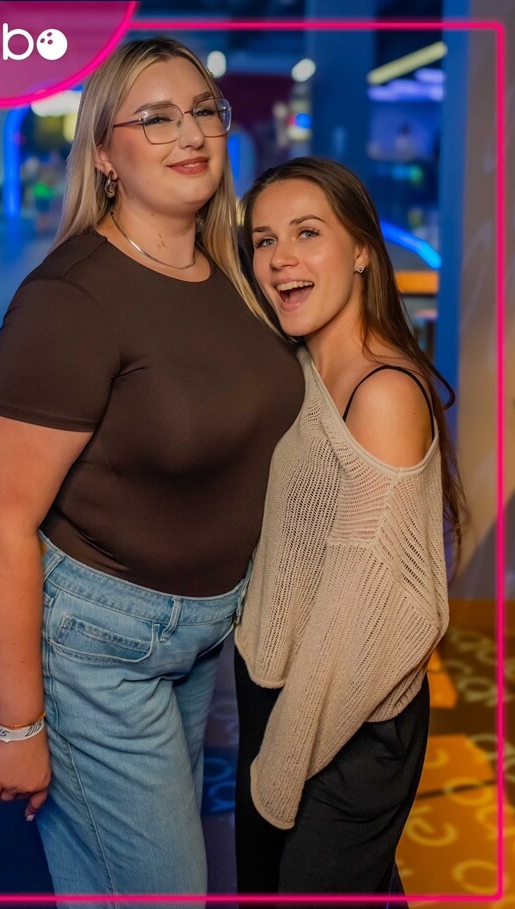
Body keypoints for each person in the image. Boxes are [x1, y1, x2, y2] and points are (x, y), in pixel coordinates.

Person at [0, 37, 304, 904]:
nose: (189, 133)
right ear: (104, 155)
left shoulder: (235, 271)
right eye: (155, 118)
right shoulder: (71, 300)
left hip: (202, 638)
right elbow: (2, 523)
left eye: (201, 111)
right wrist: (19, 724)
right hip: (97, 644)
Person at [234, 157, 465, 903]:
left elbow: (357, 618)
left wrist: (279, 763)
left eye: (308, 232)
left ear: (363, 249)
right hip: (281, 696)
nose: (281, 258)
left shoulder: (383, 393)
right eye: (264, 240)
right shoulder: (299, 368)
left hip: (347, 722)